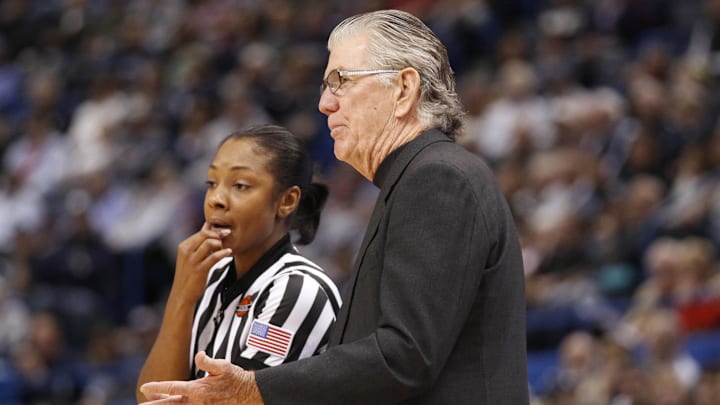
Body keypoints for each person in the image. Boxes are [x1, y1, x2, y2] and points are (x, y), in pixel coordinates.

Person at [140, 9, 528, 404]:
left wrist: (255, 389)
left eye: (339, 81)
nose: (325, 103)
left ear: (403, 89)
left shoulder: (438, 178)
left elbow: (406, 356)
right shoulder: (418, 178)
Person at [136, 125, 341, 402]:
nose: (216, 200)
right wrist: (181, 297)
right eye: (212, 183)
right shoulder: (213, 273)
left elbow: (237, 399)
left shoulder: (299, 289)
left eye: (240, 185)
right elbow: (151, 397)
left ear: (287, 200)